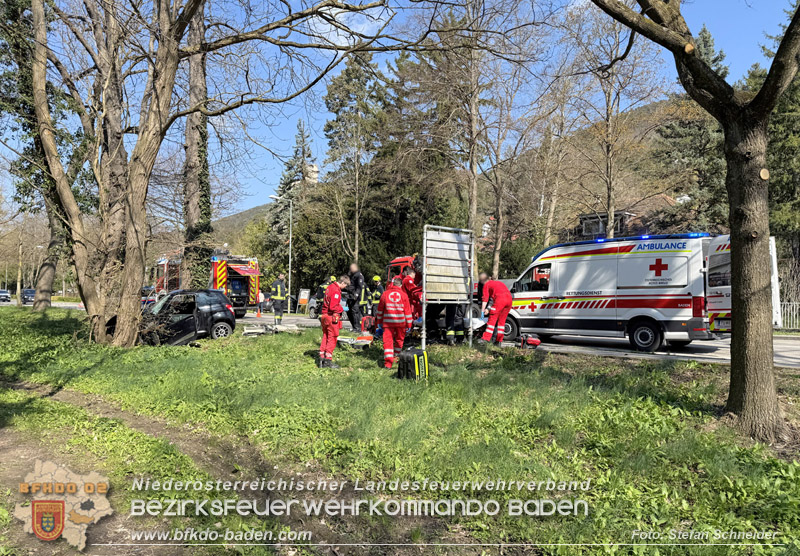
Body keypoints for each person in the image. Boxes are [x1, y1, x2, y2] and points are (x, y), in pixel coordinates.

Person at [376, 275, 412, 369]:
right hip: (401, 323)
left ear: (392, 284)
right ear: (400, 285)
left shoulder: (385, 294)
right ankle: (396, 357)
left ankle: (388, 364)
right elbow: (408, 312)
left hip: (388, 323)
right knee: (399, 341)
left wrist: (379, 322)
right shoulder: (404, 295)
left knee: (387, 343)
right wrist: (409, 325)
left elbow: (380, 310)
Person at [319, 275, 350, 368]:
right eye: (346, 285)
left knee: (326, 336)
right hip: (331, 317)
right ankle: (328, 361)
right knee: (332, 337)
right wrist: (342, 308)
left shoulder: (329, 287)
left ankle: (321, 357)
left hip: (324, 316)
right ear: (343, 282)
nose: (345, 287)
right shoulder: (336, 290)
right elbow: (333, 306)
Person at [477, 272, 512, 347]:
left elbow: (485, 299)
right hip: (509, 300)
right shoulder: (498, 283)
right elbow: (493, 299)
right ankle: (499, 341)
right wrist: (489, 309)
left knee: (492, 319)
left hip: (500, 300)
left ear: (482, 281)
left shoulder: (486, 285)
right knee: (501, 322)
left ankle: (485, 339)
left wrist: (482, 311)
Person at [345, 263, 365, 331]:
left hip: (355, 297)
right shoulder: (352, 275)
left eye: (352, 268)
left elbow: (359, 286)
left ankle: (357, 328)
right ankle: (354, 327)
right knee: (349, 312)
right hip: (350, 296)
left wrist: (356, 295)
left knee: (355, 312)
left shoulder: (359, 275)